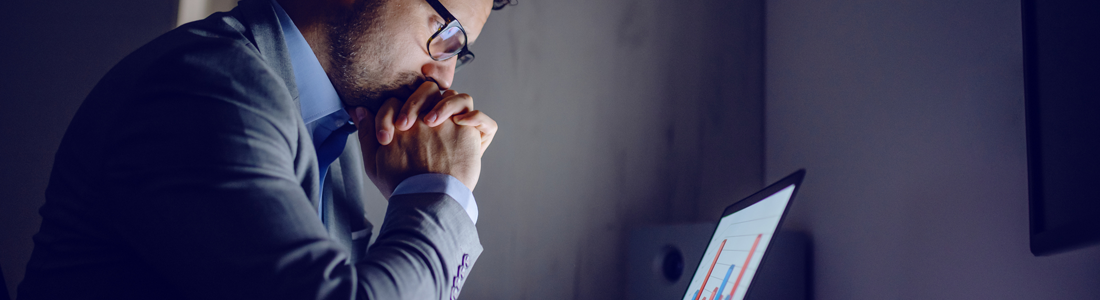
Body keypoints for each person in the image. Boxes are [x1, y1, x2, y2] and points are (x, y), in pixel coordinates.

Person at [17, 0, 509, 298]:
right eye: (445, 36)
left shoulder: (331, 126)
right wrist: (438, 195)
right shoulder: (206, 90)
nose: (442, 80)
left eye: (459, 54)